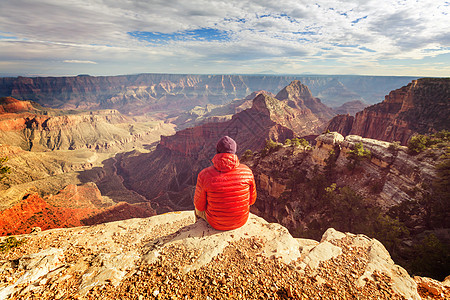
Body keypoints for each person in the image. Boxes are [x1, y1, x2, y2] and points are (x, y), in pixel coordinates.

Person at [194, 136, 256, 230]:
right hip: (241, 221)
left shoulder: (204, 175)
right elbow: (252, 200)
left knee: (196, 209)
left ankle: (198, 228)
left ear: (217, 151)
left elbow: (200, 206)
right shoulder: (247, 172)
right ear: (234, 152)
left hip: (216, 223)